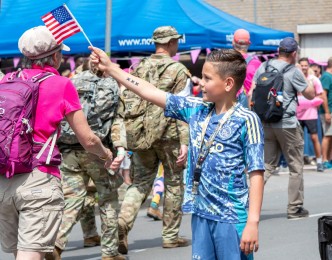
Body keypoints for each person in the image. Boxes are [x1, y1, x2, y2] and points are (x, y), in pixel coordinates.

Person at [90, 45, 264, 260]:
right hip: (201, 215)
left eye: (208, 79)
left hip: (231, 219)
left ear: (228, 83)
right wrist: (111, 68)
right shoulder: (196, 109)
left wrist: (252, 223)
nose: (201, 83)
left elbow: (256, 172)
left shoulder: (247, 120)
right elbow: (149, 91)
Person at [0, 26, 113, 260]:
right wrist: (105, 155)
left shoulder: (8, 81)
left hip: (5, 178)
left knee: (19, 253)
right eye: (60, 52)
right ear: (54, 56)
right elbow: (88, 139)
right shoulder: (61, 84)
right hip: (39, 178)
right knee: (30, 255)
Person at [116, 26, 190, 254]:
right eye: (176, 41)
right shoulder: (178, 70)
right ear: (169, 43)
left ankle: (122, 223)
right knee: (174, 183)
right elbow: (182, 107)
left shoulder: (138, 68)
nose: (177, 44)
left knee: (140, 183)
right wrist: (185, 142)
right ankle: (170, 236)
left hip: (142, 134)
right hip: (170, 134)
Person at [50, 64, 126, 260]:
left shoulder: (73, 82)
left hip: (69, 149)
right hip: (97, 150)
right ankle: (109, 252)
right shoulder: (111, 86)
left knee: (72, 198)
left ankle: (57, 243)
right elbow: (116, 121)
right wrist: (120, 148)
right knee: (108, 199)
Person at [252, 37, 315, 219]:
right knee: (295, 166)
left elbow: (252, 94)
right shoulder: (293, 71)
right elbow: (310, 95)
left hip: (266, 122)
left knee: (266, 165)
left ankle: (246, 200)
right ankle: (294, 208)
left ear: (279, 50)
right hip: (287, 124)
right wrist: (307, 75)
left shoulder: (263, 67)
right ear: (294, 53)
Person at [297, 57, 325, 172]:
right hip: (297, 114)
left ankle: (319, 161)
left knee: (314, 137)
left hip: (311, 114)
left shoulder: (314, 79)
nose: (304, 67)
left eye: (305, 65)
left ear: (308, 66)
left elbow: (321, 95)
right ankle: (297, 163)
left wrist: (311, 103)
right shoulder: (295, 78)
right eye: (301, 65)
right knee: (297, 140)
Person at [232, 28, 261, 108]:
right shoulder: (257, 64)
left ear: (233, 43)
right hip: (249, 108)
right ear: (249, 44)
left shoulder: (226, 62)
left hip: (229, 107)